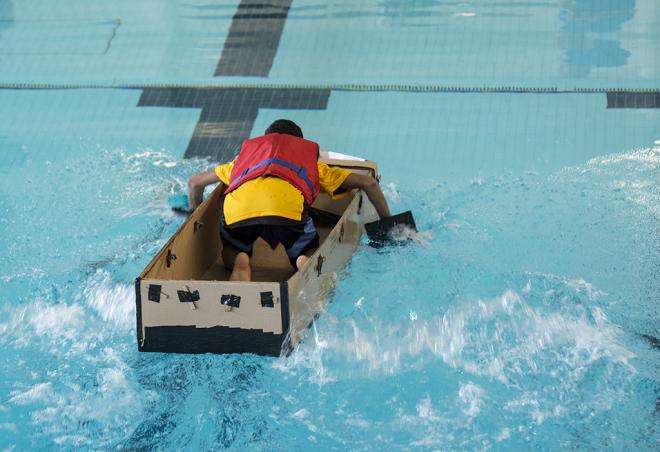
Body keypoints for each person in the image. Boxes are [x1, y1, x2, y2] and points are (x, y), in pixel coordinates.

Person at [187, 119, 391, 281]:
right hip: (286, 213)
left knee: (233, 249)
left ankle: (241, 261)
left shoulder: (242, 163)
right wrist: (387, 222)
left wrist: (194, 216)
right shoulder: (311, 164)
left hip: (239, 213)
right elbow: (368, 183)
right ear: (298, 144)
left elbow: (195, 183)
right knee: (305, 251)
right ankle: (305, 267)